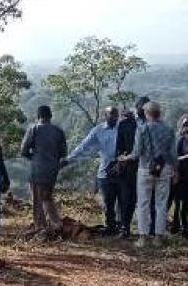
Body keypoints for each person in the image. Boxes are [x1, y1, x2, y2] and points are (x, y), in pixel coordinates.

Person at [119, 102, 178, 248]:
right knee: (161, 203)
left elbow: (137, 152)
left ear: (147, 113)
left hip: (145, 168)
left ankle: (143, 238)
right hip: (164, 169)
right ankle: (158, 237)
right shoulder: (169, 129)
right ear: (159, 113)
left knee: (144, 203)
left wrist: (125, 158)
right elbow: (172, 154)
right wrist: (175, 170)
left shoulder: (142, 128)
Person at [64, 107, 121, 235]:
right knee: (108, 202)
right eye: (111, 115)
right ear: (105, 115)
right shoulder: (98, 130)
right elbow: (84, 146)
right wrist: (70, 159)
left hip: (122, 171)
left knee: (123, 202)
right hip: (105, 171)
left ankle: (122, 228)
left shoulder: (123, 128)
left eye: (115, 115)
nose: (114, 118)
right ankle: (110, 228)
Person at [20, 105, 67, 234]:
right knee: (47, 196)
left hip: (37, 169)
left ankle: (41, 226)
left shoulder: (34, 129)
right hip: (52, 170)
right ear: (50, 116)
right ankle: (55, 223)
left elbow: (23, 151)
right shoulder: (58, 131)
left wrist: (34, 158)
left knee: (37, 199)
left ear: (38, 116)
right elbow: (63, 153)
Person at [114, 108, 139, 238]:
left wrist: (120, 158)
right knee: (132, 199)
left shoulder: (125, 124)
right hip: (137, 167)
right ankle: (126, 227)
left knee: (127, 198)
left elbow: (118, 148)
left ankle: (125, 227)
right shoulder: (150, 124)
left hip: (129, 165)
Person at [173, 117, 188, 237]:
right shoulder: (180, 141)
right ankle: (181, 227)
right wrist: (185, 157)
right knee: (180, 204)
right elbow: (175, 158)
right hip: (182, 177)